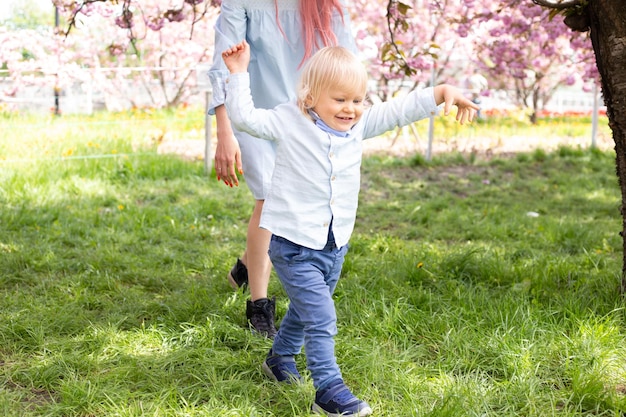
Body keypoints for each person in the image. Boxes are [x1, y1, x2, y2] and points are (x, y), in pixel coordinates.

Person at [221, 41, 478, 416]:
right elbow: (244, 118)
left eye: (358, 100)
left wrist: (440, 93)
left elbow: (397, 111)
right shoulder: (289, 119)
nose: (351, 109)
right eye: (340, 100)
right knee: (321, 316)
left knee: (307, 310)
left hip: (334, 245)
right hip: (293, 246)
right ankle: (328, 389)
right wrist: (239, 73)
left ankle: (278, 359)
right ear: (310, 97)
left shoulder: (357, 126)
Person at [208, 0, 357, 338]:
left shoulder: (327, 4)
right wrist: (224, 133)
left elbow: (349, 60)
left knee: (302, 197)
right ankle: (259, 305)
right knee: (268, 197)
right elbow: (222, 64)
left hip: (312, 118)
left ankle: (247, 264)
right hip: (255, 114)